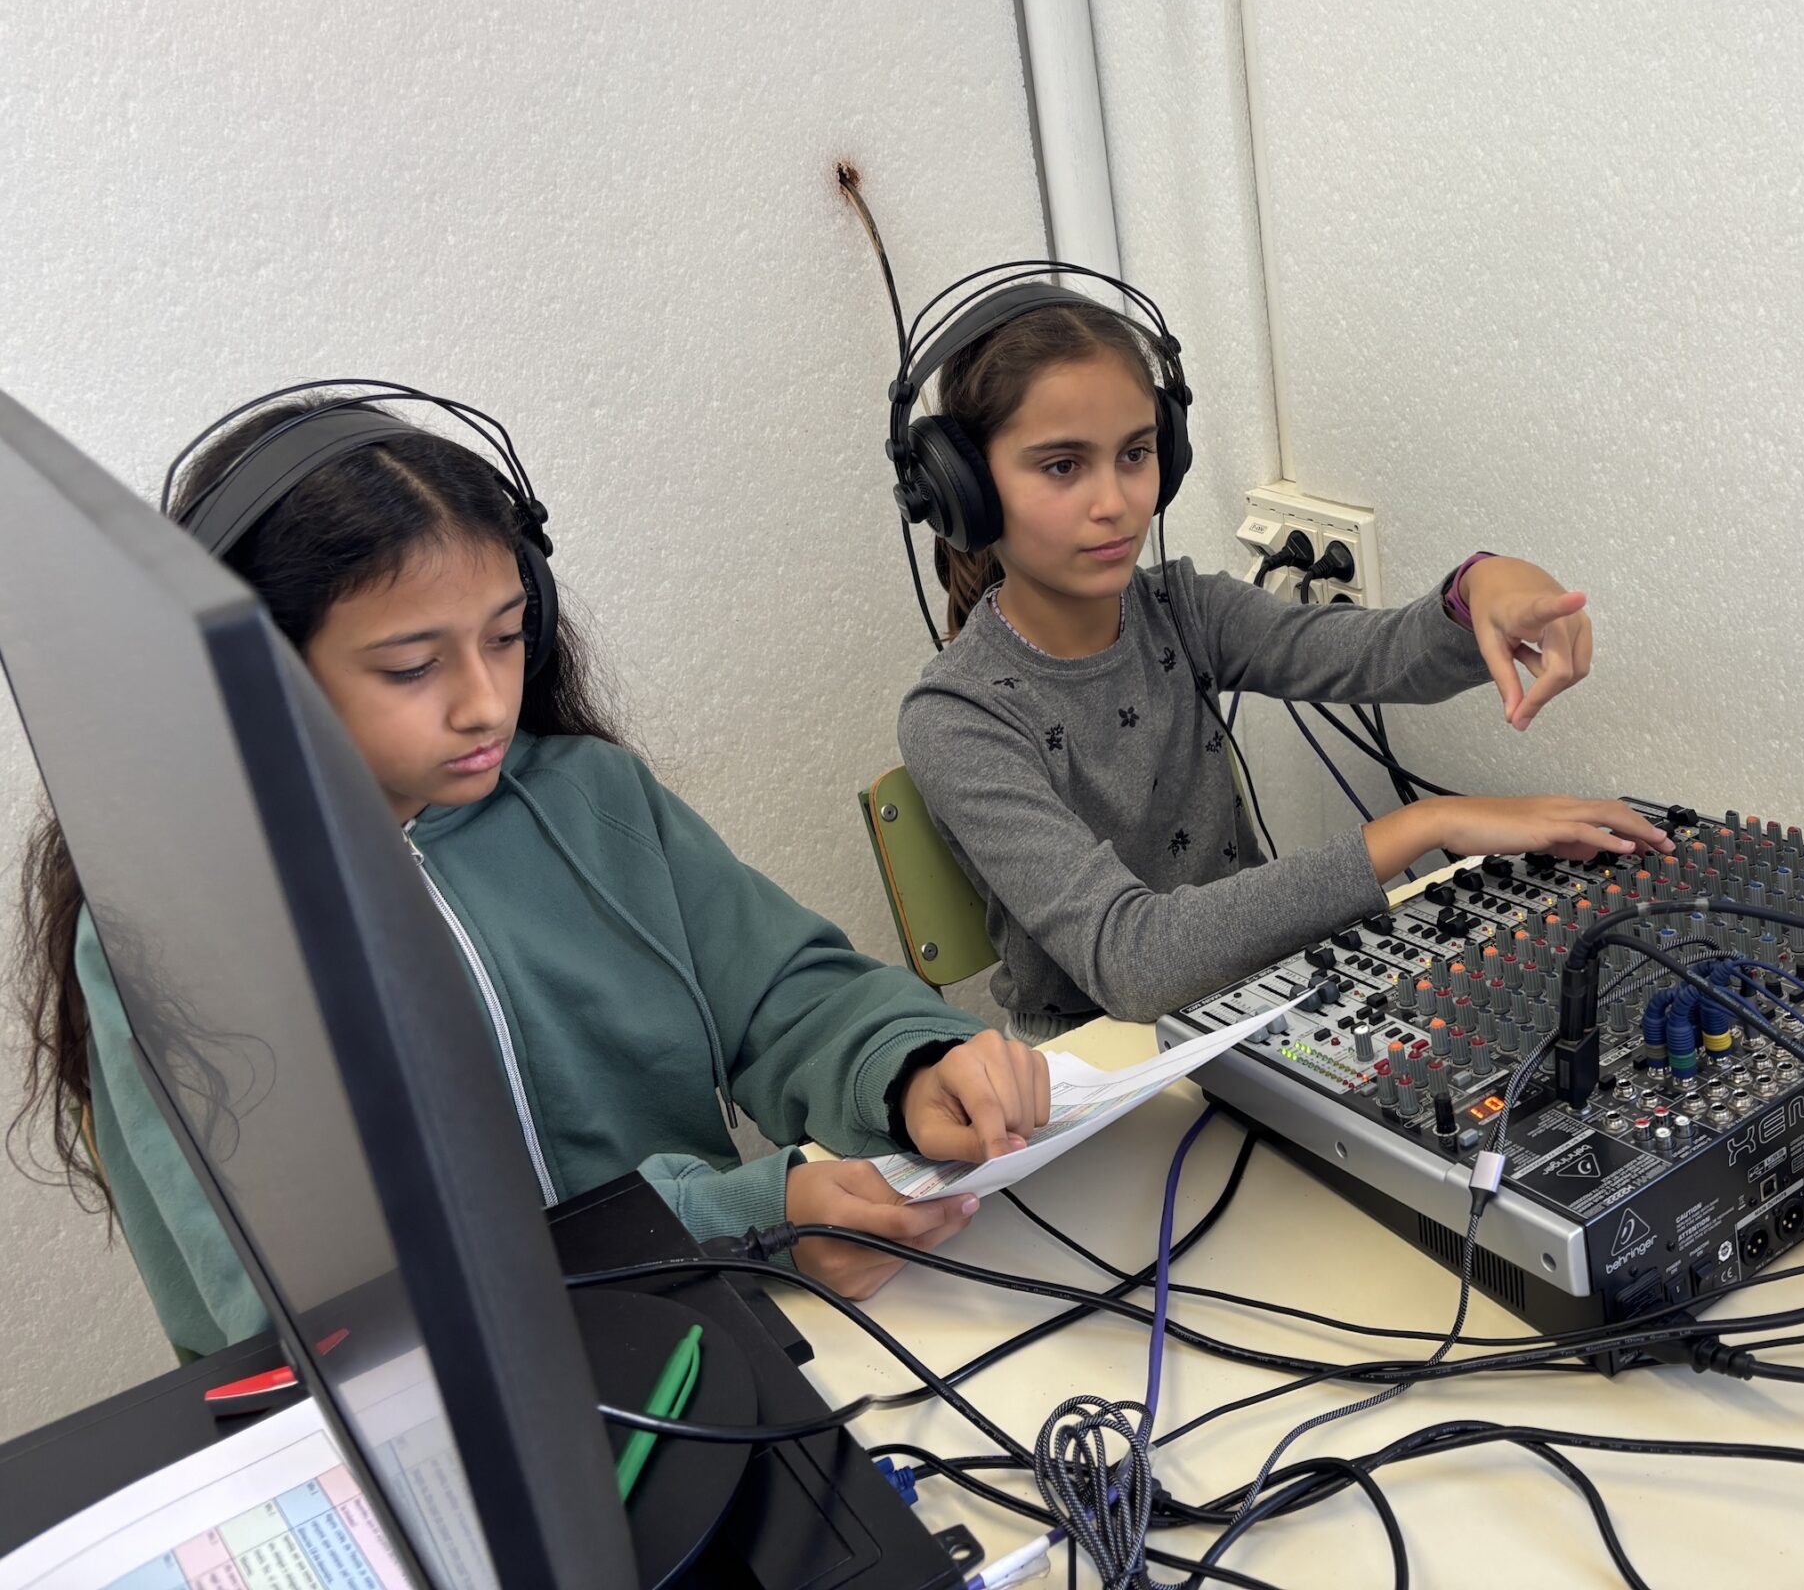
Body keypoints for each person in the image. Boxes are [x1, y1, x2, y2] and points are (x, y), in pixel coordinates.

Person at [12, 393, 1047, 1357]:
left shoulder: (592, 796)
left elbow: (786, 996)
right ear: (248, 678)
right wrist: (735, 1221)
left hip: (715, 1342)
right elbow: (330, 1304)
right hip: (464, 1420)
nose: (486, 703)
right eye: (413, 666)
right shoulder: (174, 935)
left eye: (506, 637)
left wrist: (909, 1066)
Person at [896, 293, 1670, 1039]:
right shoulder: (957, 717)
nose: (1115, 502)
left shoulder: (1184, 609)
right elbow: (1135, 961)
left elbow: (1373, 657)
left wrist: (1479, 589)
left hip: (1255, 996)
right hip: (1092, 1063)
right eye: (1063, 466)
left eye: (1135, 453)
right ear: (967, 491)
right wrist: (1428, 823)